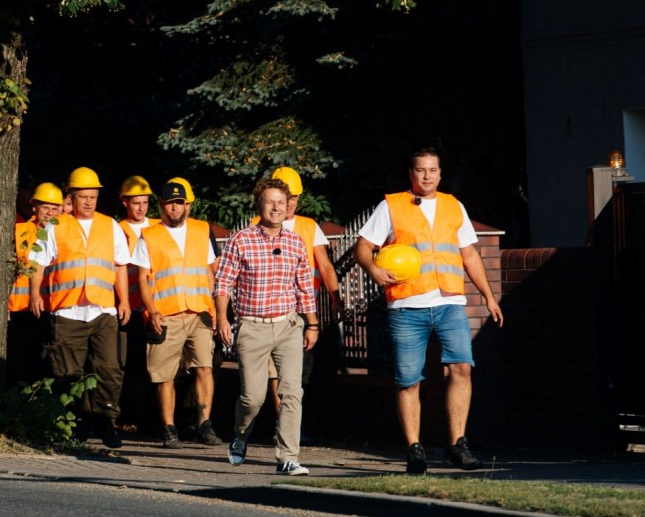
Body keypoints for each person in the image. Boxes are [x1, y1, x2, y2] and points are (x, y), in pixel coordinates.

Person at [352, 148, 504, 474]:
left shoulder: (453, 206)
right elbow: (362, 247)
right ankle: (414, 450)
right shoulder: (391, 206)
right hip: (407, 305)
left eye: (433, 170)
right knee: (408, 380)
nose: (427, 176)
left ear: (440, 173)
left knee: (461, 368)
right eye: (421, 170)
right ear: (411, 173)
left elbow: (470, 255)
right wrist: (374, 270)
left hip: (450, 302)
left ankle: (457, 445)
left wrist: (489, 297)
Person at [214, 178, 319, 475]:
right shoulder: (241, 240)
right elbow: (222, 284)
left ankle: (288, 457)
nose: (276, 207)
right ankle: (240, 434)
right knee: (253, 398)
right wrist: (223, 318)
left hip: (287, 325)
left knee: (292, 392)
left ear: (288, 208)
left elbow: (304, 289)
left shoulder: (296, 242)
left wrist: (312, 325)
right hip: (252, 327)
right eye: (270, 202)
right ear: (259, 205)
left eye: (281, 203)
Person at [28, 166, 131, 448]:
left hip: (102, 310)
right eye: (82, 197)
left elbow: (120, 266)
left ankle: (107, 421)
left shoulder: (111, 226)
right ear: (71, 197)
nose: (88, 202)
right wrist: (35, 293)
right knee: (67, 373)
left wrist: (123, 300)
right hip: (67, 310)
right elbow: (37, 262)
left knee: (109, 369)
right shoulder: (55, 226)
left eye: (93, 197)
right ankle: (77, 423)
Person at [258, 167, 343, 442]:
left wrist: (335, 297)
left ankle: (294, 425)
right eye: (286, 196)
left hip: (303, 310)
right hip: (270, 308)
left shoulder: (308, 226)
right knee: (275, 371)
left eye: (294, 197)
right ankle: (284, 425)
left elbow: (326, 267)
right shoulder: (255, 225)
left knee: (300, 372)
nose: (290, 202)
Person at [134, 180, 220, 448]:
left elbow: (209, 273)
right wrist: (152, 311)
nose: (174, 207)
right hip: (167, 314)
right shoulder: (149, 236)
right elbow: (143, 280)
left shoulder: (201, 230)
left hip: (199, 312)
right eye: (169, 202)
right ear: (161, 206)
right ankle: (169, 428)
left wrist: (214, 308)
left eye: (179, 202)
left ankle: (204, 424)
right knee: (164, 374)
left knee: (204, 367)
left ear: (188, 205)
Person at [7, 182, 63, 385]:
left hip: (54, 309)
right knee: (18, 363)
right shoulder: (17, 231)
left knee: (48, 365)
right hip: (19, 310)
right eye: (45, 207)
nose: (49, 213)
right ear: (34, 207)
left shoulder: (65, 233)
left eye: (54, 208)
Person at [117, 175, 158, 433]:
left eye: (145, 202)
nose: (141, 208)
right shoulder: (117, 229)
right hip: (131, 308)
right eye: (136, 203)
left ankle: (152, 418)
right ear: (124, 202)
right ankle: (130, 415)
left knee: (157, 366)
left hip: (156, 307)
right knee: (132, 365)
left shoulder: (158, 227)